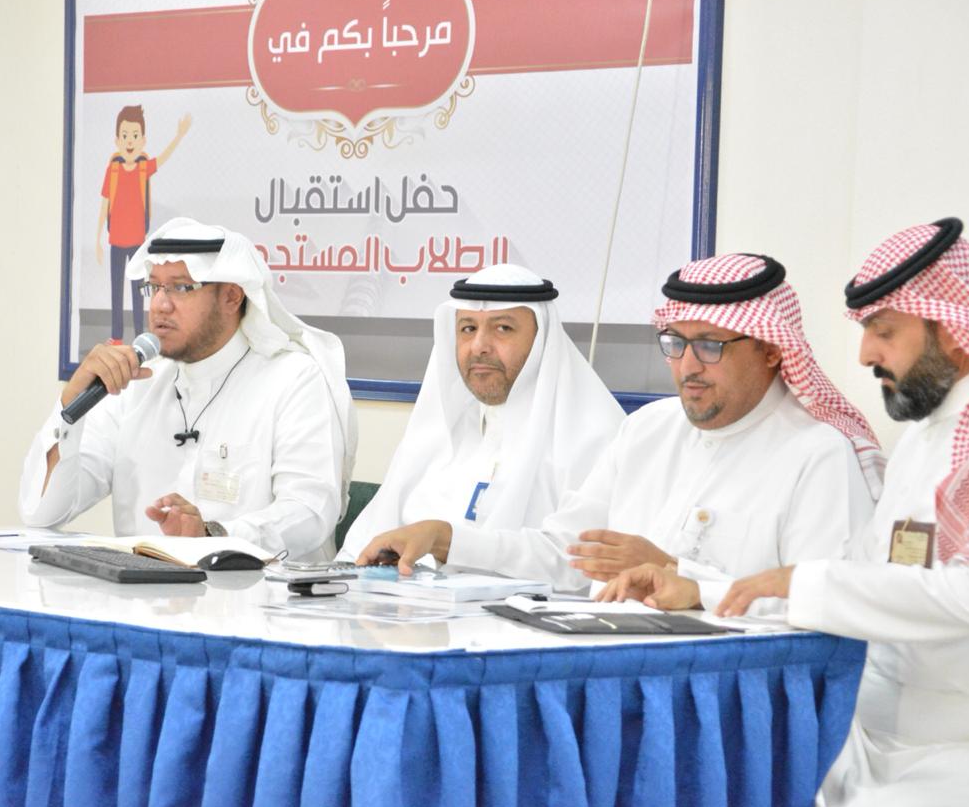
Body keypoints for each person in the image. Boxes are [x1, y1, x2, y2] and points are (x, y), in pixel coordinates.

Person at [717, 218, 969, 807]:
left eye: (883, 332)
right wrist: (703, 591)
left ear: (954, 328)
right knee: (740, 786)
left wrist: (804, 583)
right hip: (885, 734)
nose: (864, 355)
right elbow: (863, 575)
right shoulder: (925, 440)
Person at [359, 254, 879, 598]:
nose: (688, 366)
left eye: (710, 346)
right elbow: (566, 555)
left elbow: (824, 608)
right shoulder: (648, 431)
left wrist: (682, 576)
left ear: (770, 350)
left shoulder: (817, 456)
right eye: (675, 343)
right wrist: (448, 539)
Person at [21, 217, 357, 562]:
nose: (159, 305)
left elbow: (309, 512)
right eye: (154, 287)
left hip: (254, 591)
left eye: (181, 288)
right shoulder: (138, 385)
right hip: (143, 590)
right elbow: (43, 514)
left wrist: (213, 536)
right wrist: (70, 407)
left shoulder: (293, 378)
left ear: (231, 296)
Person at [336, 265, 624, 563]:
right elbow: (361, 546)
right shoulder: (435, 436)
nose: (479, 346)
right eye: (468, 328)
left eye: (503, 328)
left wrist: (448, 542)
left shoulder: (595, 439)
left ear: (542, 340)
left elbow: (579, 563)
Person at [94, 105, 192, 342]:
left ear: (143, 140)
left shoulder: (142, 168)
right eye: (125, 135)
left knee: (139, 291)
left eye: (135, 135)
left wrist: (179, 136)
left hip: (138, 241)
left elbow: (162, 158)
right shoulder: (113, 170)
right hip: (116, 241)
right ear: (117, 140)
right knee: (116, 290)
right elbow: (105, 202)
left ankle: (139, 333)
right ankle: (116, 336)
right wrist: (97, 238)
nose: (130, 141)